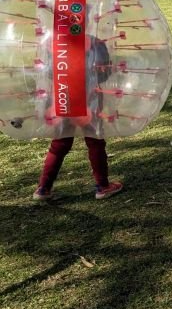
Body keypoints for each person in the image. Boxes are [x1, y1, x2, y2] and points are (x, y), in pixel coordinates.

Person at [32, 37, 123, 201]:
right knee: (95, 139)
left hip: (62, 96)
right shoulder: (95, 42)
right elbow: (104, 72)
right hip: (90, 98)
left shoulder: (53, 42)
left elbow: (47, 72)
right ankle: (103, 186)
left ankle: (44, 188)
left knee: (60, 142)